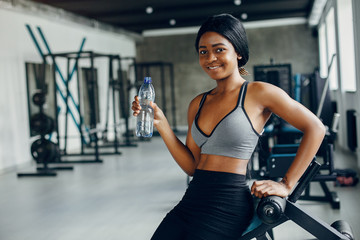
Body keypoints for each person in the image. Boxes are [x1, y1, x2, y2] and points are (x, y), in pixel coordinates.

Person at [132, 13, 325, 240]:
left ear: (238, 52)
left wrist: (287, 184)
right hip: (191, 201)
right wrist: (161, 123)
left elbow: (316, 128)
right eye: (203, 52)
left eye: (219, 49)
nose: (210, 58)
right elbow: (193, 167)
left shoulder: (259, 93)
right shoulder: (198, 103)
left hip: (227, 206)